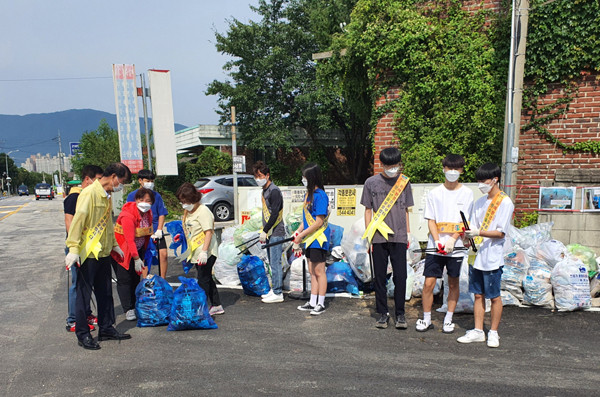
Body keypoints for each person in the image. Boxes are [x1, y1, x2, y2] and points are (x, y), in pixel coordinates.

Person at [65, 162, 132, 350]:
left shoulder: (106, 196)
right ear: (113, 177)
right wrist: (73, 249)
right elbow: (78, 222)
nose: (121, 186)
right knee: (84, 295)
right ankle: (83, 334)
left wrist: (114, 245)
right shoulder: (88, 194)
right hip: (88, 253)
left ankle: (106, 328)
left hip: (103, 251)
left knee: (105, 293)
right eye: (121, 181)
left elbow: (107, 224)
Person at [457, 163, 514, 348]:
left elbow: (500, 233)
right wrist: (467, 237)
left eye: (484, 180)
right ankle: (478, 330)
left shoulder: (505, 202)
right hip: (476, 254)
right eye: (478, 180)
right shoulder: (479, 202)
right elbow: (471, 228)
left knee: (494, 296)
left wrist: (478, 233)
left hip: (492, 257)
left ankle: (494, 332)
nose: (481, 184)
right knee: (478, 295)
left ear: (495, 179)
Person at [416, 154, 473, 334]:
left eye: (456, 169)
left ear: (462, 171)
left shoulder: (467, 193)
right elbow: (431, 220)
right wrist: (439, 240)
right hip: (436, 246)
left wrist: (452, 239)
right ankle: (426, 319)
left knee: (453, 282)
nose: (453, 172)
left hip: (455, 248)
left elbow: (465, 222)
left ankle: (448, 319)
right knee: (428, 283)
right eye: (449, 168)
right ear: (443, 169)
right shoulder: (435, 193)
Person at [361, 147, 414, 329]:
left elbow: (407, 209)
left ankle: (400, 313)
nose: (393, 168)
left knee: (401, 276)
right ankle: (382, 313)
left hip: (399, 236)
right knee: (380, 276)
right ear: (381, 164)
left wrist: (408, 233)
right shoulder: (371, 183)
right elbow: (368, 210)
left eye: (396, 165)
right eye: (389, 165)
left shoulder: (404, 183)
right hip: (378, 236)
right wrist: (368, 235)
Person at [63, 164, 103, 332]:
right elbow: (70, 223)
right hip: (76, 248)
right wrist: (75, 248)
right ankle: (73, 320)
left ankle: (86, 314)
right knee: (77, 284)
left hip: (87, 246)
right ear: (88, 179)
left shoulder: (89, 195)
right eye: (98, 179)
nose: (100, 183)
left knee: (87, 283)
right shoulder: (74, 197)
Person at [175, 182, 223, 316]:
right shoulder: (188, 212)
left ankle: (201, 307)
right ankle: (216, 304)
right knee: (206, 277)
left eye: (186, 201)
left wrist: (204, 251)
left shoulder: (203, 211)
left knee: (203, 279)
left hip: (206, 251)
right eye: (182, 201)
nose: (184, 204)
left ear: (194, 199)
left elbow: (209, 232)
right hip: (196, 251)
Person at [112, 188, 154, 321]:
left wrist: (142, 255)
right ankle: (128, 309)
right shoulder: (128, 215)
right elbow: (129, 240)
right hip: (122, 251)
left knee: (136, 278)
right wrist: (136, 259)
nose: (145, 203)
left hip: (138, 249)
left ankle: (136, 305)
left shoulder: (148, 213)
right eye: (142, 200)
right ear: (136, 200)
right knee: (125, 279)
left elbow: (147, 233)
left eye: (148, 201)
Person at [294, 163, 330, 316]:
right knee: (311, 270)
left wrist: (301, 236)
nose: (303, 179)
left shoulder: (320, 195)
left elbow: (318, 221)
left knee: (319, 271)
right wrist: (298, 231)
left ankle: (321, 303)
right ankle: (312, 300)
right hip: (309, 238)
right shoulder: (307, 195)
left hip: (318, 238)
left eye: (304, 177)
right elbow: (307, 220)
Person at [252, 161, 286, 303]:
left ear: (267, 175)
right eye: (256, 176)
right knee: (271, 262)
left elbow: (275, 214)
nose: (258, 179)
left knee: (275, 262)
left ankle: (278, 292)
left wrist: (265, 230)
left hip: (276, 231)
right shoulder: (265, 190)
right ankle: (274, 289)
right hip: (269, 232)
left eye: (260, 176)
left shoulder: (274, 191)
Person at [127, 169, 169, 278]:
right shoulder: (132, 196)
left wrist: (159, 229)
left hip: (155, 229)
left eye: (152, 180)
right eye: (147, 180)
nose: (150, 183)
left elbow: (162, 213)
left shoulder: (157, 196)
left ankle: (162, 280)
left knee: (163, 254)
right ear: (140, 180)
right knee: (145, 256)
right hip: (141, 231)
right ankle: (146, 280)